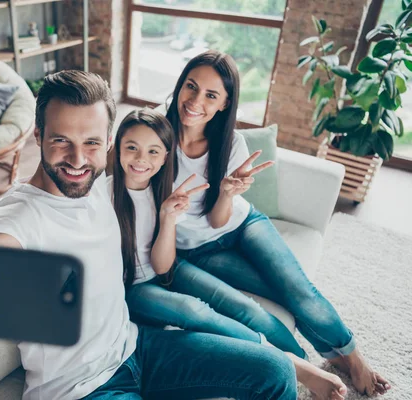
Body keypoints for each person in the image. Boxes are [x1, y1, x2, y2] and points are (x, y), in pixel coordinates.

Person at [0, 70, 298, 400]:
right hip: (82, 388)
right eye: (61, 141)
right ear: (38, 134)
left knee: (276, 371)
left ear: (108, 144)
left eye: (92, 142)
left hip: (140, 347)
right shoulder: (15, 217)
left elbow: (157, 149)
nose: (77, 158)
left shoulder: (104, 186)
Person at [163, 49, 390, 397]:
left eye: (211, 95)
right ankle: (328, 359)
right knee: (278, 293)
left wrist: (226, 193)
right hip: (197, 249)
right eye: (191, 87)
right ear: (179, 86)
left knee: (298, 289)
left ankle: (353, 357)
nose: (196, 101)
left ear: (225, 104)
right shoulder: (157, 138)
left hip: (241, 224)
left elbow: (219, 217)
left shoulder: (230, 142)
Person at [110, 108, 347, 400]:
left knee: (241, 305)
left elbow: (163, 265)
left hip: (168, 268)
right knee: (193, 310)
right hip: (133, 287)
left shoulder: (165, 191)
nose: (140, 159)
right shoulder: (103, 195)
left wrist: (168, 218)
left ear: (165, 156)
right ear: (116, 145)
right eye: (131, 147)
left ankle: (299, 361)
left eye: (153, 151)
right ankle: (295, 366)